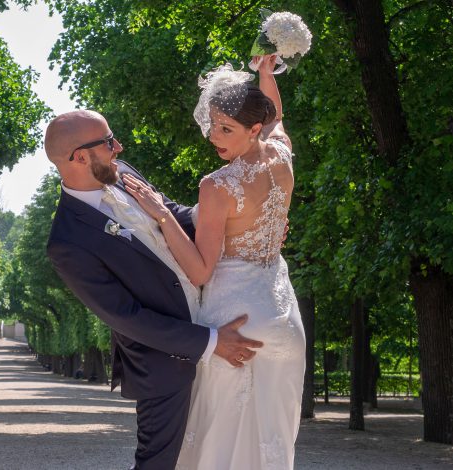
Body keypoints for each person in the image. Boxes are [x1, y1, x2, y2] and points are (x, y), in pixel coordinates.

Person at [44, 109, 264, 470]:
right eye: (108, 142)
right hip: (166, 365)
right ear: (79, 157)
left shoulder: (122, 171)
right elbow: (128, 318)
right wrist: (210, 341)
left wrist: (239, 220)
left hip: (218, 308)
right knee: (160, 464)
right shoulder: (67, 243)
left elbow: (173, 214)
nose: (119, 147)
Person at [122, 55, 306, 469]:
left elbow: (201, 269)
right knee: (271, 443)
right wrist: (265, 74)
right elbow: (278, 116)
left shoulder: (217, 186)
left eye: (226, 129)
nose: (214, 137)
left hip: (233, 321)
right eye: (213, 126)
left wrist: (162, 214)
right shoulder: (282, 155)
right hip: (283, 319)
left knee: (216, 442)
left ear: (253, 127)